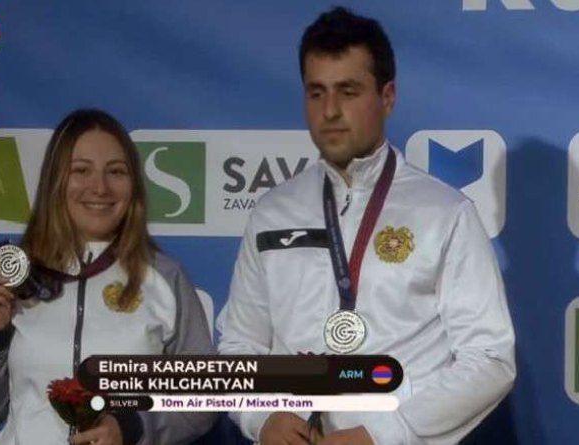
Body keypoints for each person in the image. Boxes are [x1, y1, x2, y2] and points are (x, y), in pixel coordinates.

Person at [217, 7, 516, 445]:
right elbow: (240, 345)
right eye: (316, 93)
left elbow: (490, 359)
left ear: (387, 97)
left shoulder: (445, 213)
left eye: (348, 91)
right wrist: (260, 418)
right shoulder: (272, 212)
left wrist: (384, 433)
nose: (330, 111)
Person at [0, 108, 216, 445]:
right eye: (81, 170)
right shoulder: (18, 279)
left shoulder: (165, 278)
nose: (100, 187)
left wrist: (132, 427)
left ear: (134, 186)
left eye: (116, 171)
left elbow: (203, 401)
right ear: (56, 181)